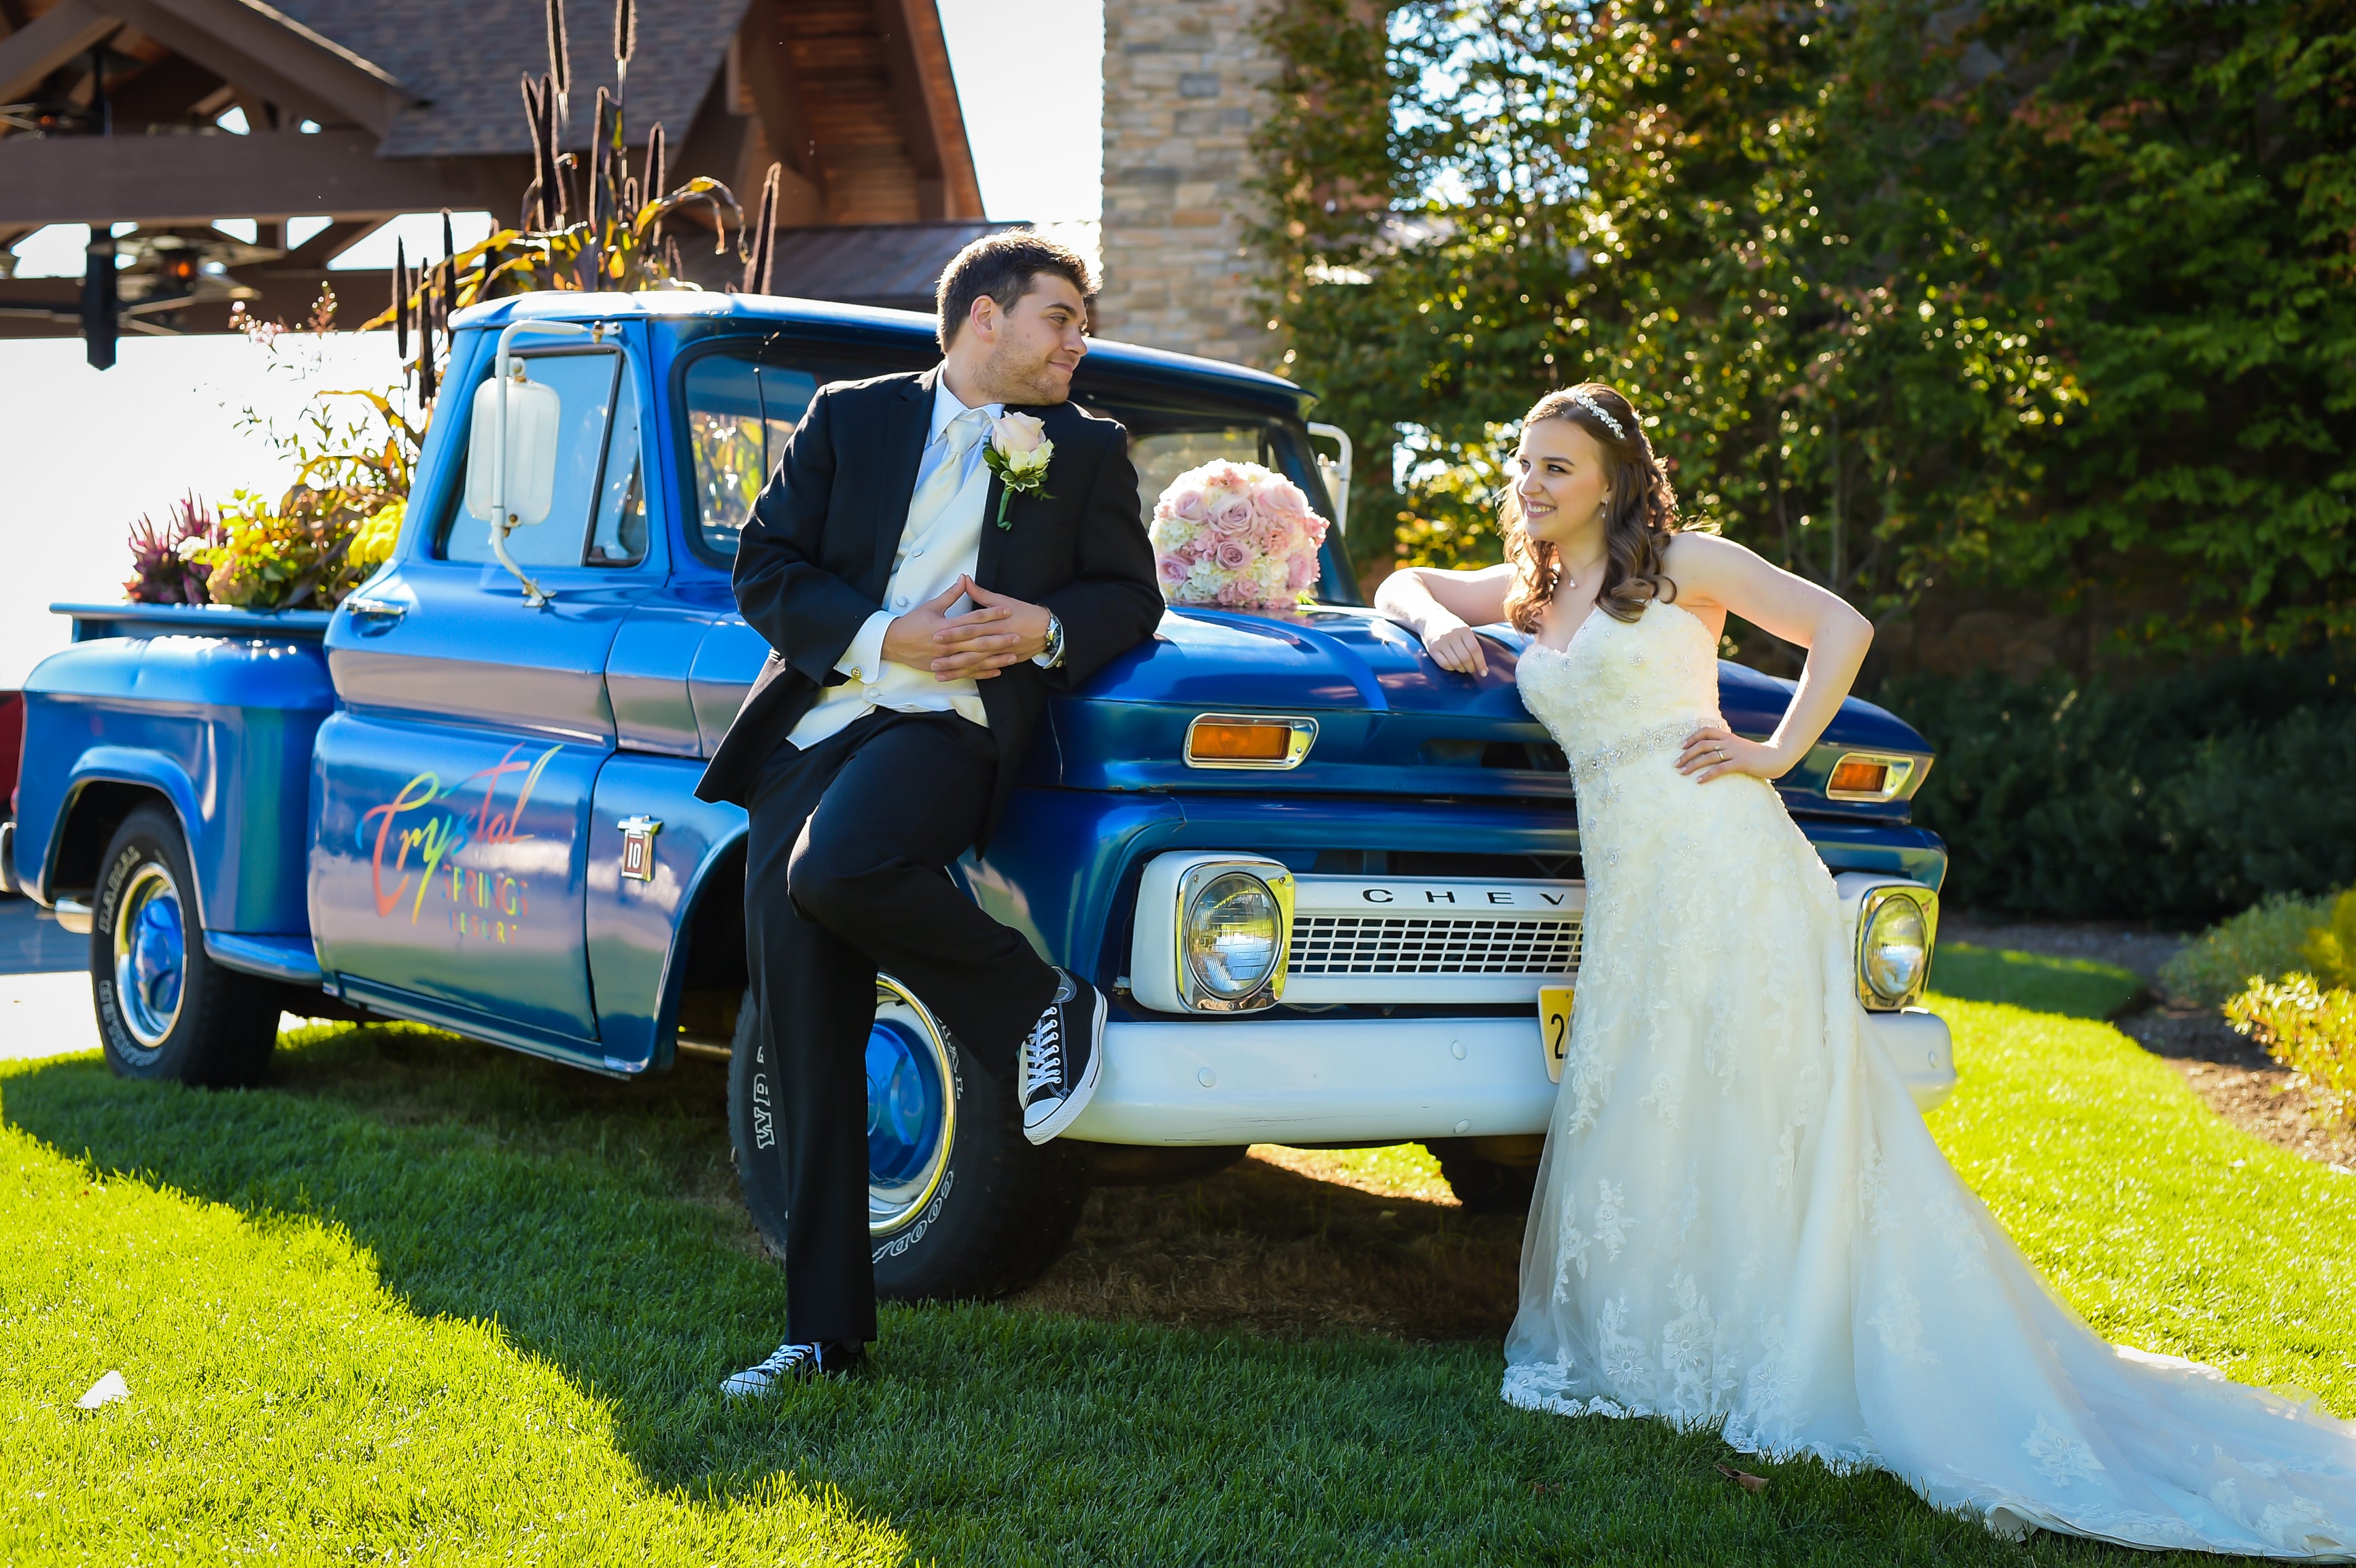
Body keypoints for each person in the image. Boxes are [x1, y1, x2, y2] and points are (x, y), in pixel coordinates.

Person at [1376, 383, 2356, 1554]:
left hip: (1726, 859)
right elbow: (1404, 582)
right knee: (1662, 1094)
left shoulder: (1688, 560)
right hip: (1635, 890)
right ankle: (1682, 1334)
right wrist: (1433, 625)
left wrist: (1775, 750)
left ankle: (1804, 1338)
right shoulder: (1533, 588)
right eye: (1523, 466)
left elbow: (1841, 627)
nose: (1531, 487)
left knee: (1771, 1098)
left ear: (1615, 481)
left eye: (1556, 470)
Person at [695, 232, 1164, 1395]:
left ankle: (1042, 1006)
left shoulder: (1087, 449)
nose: (1077, 342)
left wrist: (1042, 631)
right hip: (812, 726)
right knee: (805, 1037)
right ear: (983, 320)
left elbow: (1127, 598)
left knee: (840, 868)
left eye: (1081, 323)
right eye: (1060, 317)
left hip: (949, 727)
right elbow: (765, 564)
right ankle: (823, 1335)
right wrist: (877, 635)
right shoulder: (850, 417)